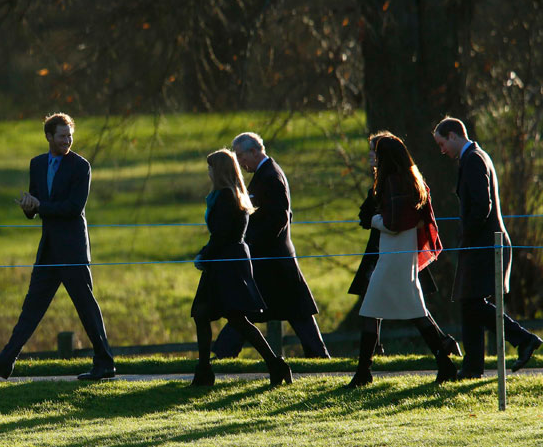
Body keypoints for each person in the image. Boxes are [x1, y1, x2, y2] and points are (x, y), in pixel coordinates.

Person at [0, 113, 116, 380]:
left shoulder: (81, 166)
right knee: (32, 307)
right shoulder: (37, 164)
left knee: (86, 306)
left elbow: (74, 208)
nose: (67, 141)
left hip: (72, 249)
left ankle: (105, 362)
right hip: (49, 248)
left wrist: (41, 206)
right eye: (62, 136)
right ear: (48, 136)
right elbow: (35, 206)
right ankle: (6, 360)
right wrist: (29, 207)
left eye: (69, 135)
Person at [433, 117, 542, 379]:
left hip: (484, 244)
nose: (442, 150)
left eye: (441, 143)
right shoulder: (477, 156)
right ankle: (473, 367)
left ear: (452, 135)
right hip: (482, 243)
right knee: (469, 303)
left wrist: (465, 233)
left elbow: (483, 205)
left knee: (472, 303)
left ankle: (523, 339)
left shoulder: (473, 160)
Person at [347, 132, 456, 388]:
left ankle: (365, 373)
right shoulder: (409, 179)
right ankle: (444, 363)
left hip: (393, 256)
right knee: (405, 311)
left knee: (376, 311)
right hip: (400, 254)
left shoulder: (394, 182)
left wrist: (373, 221)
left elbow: (393, 224)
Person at [211, 132, 330, 359]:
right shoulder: (266, 173)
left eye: (240, 156)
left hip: (272, 259)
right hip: (272, 259)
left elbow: (280, 218)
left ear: (254, 151)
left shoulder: (270, 176)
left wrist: (252, 242)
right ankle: (318, 355)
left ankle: (223, 355)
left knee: (258, 308)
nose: (239, 162)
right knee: (289, 310)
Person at [191, 149, 292, 387]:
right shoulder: (228, 195)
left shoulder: (227, 197)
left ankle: (275, 364)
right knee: (204, 314)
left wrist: (203, 255)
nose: (208, 171)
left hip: (226, 266)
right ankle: (204, 370)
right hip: (223, 263)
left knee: (236, 319)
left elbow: (223, 235)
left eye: (211, 167)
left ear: (220, 171)